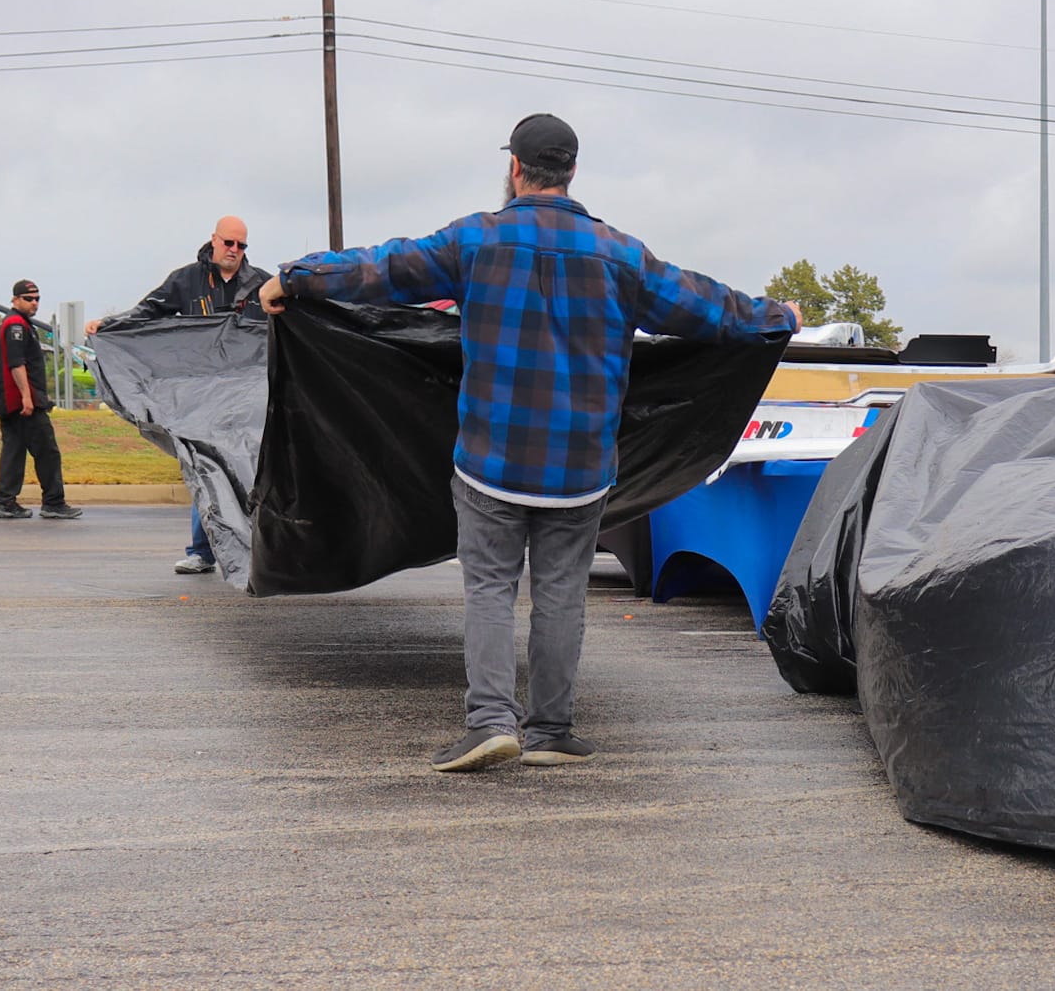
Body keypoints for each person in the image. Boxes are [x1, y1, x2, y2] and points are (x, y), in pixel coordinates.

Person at [260, 113, 802, 773]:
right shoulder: (621, 255)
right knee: (561, 598)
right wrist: (779, 316)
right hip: (580, 468)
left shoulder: (475, 240)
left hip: (490, 460)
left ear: (514, 168)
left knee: (489, 590)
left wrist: (294, 278)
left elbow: (379, 269)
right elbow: (708, 306)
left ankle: (490, 723)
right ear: (571, 171)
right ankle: (550, 730)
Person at [86, 216, 270, 574]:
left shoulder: (262, 284)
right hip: (200, 398)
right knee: (206, 466)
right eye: (229, 243)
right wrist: (109, 326)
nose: (234, 251)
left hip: (249, 397)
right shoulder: (187, 280)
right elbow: (149, 311)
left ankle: (260, 549)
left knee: (253, 470)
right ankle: (203, 550)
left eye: (241, 245)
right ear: (214, 241)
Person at [0, 280, 83, 520]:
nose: (34, 303)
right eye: (29, 299)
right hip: (22, 403)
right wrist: (27, 398)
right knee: (47, 451)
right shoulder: (15, 326)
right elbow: (16, 363)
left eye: (37, 299)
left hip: (11, 402)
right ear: (15, 300)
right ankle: (53, 502)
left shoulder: (20, 323)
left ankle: (5, 501)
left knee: (14, 450)